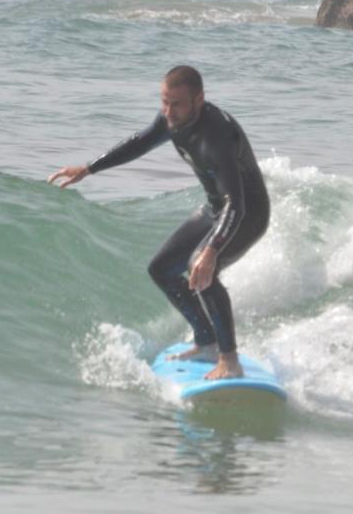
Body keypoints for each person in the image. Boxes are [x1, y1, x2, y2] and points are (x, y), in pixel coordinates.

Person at [49, 66, 269, 380]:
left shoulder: (215, 136)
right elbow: (141, 142)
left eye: (176, 104)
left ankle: (229, 360)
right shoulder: (172, 120)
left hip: (246, 215)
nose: (168, 111)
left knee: (200, 266)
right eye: (164, 101)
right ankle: (206, 341)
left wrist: (211, 252)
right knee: (162, 268)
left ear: (199, 100)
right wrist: (88, 169)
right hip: (215, 209)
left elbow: (236, 202)